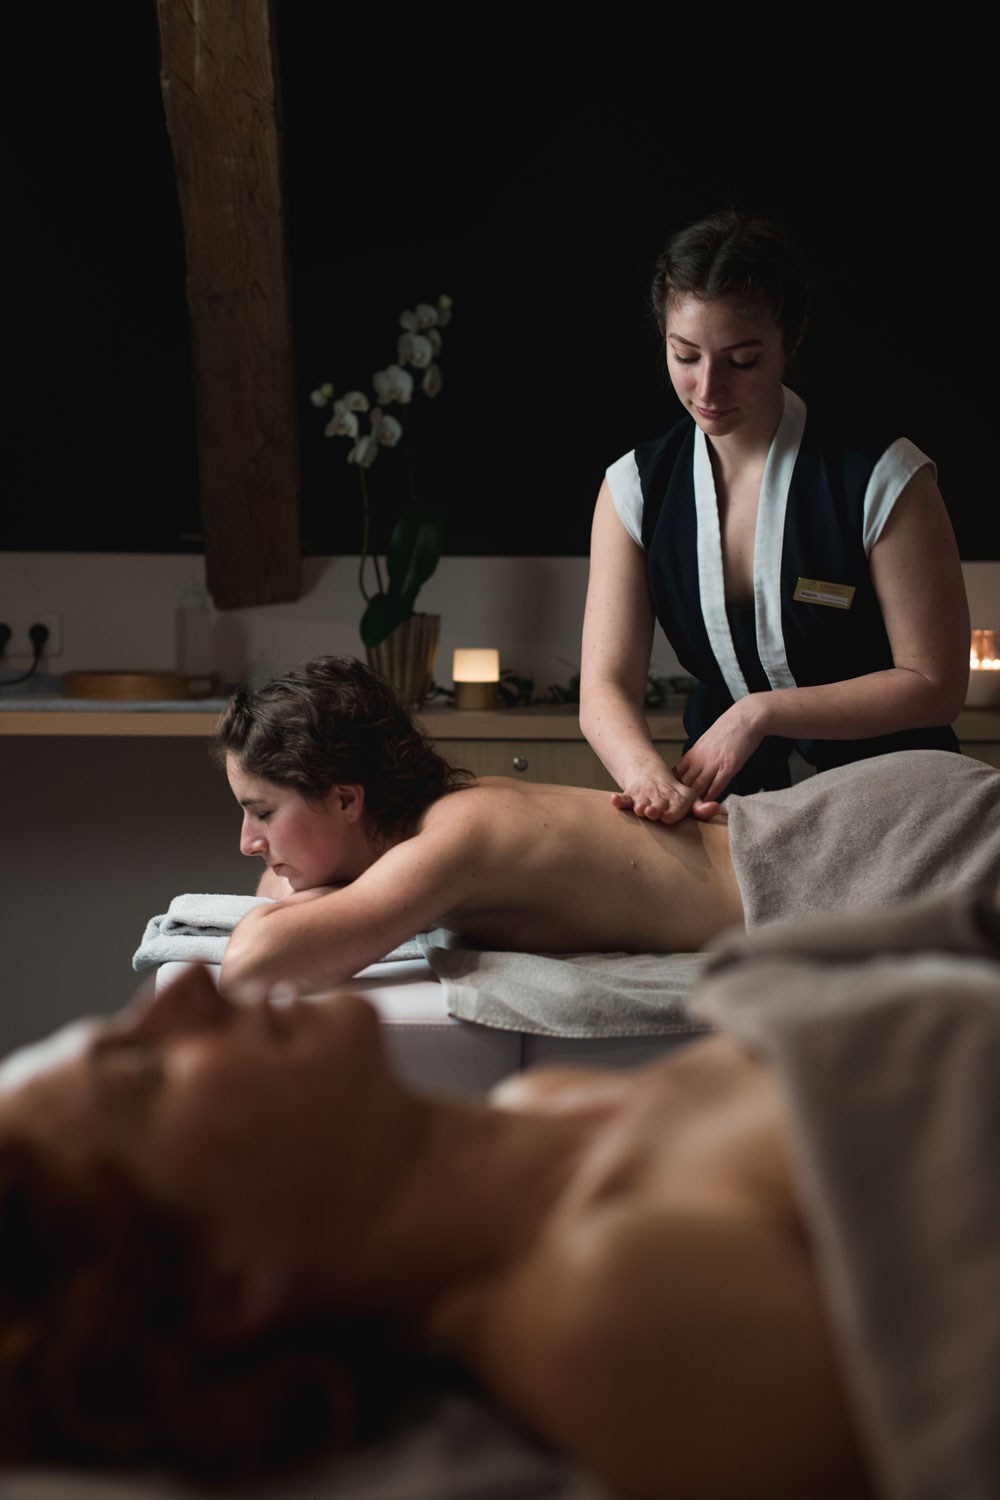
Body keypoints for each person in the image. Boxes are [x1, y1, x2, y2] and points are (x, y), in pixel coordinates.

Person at [3, 882, 999, 1495]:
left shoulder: (545, 1112)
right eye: (143, 1074)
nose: (182, 989)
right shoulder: (611, 1311)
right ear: (231, 1281)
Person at [212, 655, 1000, 1003]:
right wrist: (294, 870)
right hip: (841, 833)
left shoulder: (453, 839)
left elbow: (255, 962)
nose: (252, 843)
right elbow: (279, 895)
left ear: (347, 799)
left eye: (262, 812)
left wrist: (297, 889)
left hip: (872, 848)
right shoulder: (436, 816)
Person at [578, 207, 970, 824]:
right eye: (685, 356)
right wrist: (647, 777)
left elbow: (936, 685)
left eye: (741, 361)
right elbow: (605, 686)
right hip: (728, 809)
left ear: (792, 341)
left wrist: (761, 712)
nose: (708, 389)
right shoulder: (634, 489)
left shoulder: (883, 478)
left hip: (898, 804)